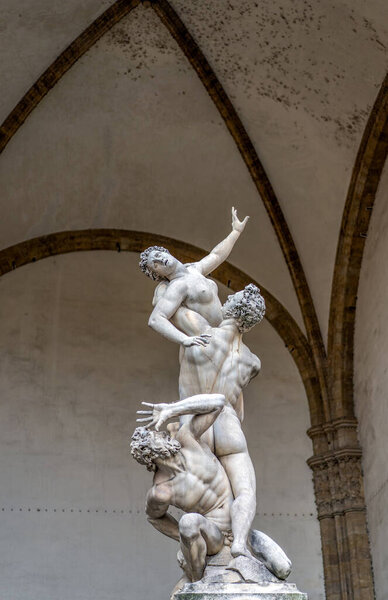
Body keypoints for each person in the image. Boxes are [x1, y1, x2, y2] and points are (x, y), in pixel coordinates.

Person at [132, 393, 291, 585]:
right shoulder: (162, 491)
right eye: (156, 436)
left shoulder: (187, 440)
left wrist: (172, 409)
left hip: (242, 529)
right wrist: (184, 539)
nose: (163, 433)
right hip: (213, 536)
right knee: (188, 522)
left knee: (283, 568)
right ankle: (198, 582)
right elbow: (154, 518)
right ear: (149, 452)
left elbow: (218, 402)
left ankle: (240, 546)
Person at [139, 207, 249, 348]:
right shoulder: (178, 286)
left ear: (166, 252)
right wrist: (183, 339)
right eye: (155, 265)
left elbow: (216, 255)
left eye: (159, 256)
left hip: (228, 335)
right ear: (157, 274)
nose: (160, 261)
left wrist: (236, 232)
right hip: (213, 342)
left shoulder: (194, 269)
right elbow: (155, 319)